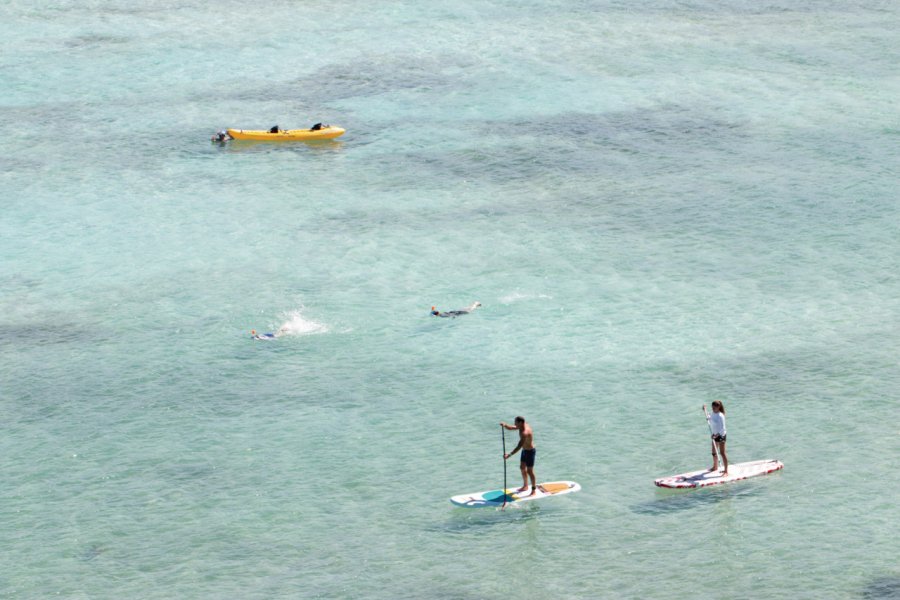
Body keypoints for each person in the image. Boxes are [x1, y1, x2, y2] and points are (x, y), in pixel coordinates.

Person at [501, 416, 537, 495]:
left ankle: (533, 490)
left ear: (520, 423)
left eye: (516, 422)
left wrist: (509, 455)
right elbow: (513, 428)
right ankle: (525, 486)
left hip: (530, 452)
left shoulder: (525, 432)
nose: (514, 424)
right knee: (522, 468)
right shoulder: (521, 426)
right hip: (524, 451)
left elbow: (519, 446)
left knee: (530, 471)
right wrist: (505, 425)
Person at [704, 401, 728, 474]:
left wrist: (716, 435)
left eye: (714, 407)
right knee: (714, 452)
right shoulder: (712, 413)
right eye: (712, 407)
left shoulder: (721, 416)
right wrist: (705, 410)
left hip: (721, 435)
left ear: (718, 407)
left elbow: (722, 428)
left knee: (722, 453)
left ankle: (726, 471)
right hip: (714, 435)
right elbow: (709, 417)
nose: (713, 408)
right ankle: (715, 467)